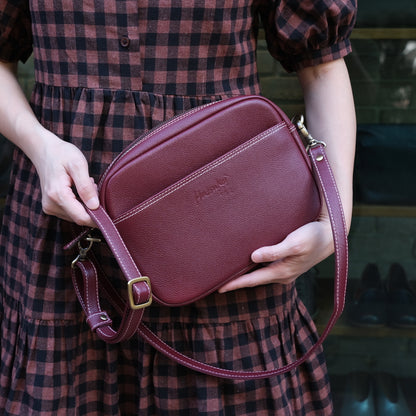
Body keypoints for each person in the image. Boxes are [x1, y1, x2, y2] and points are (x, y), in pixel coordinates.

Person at [0, 0, 357, 414]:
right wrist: (39, 147)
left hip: (228, 234)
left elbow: (323, 68)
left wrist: (335, 223)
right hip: (68, 234)